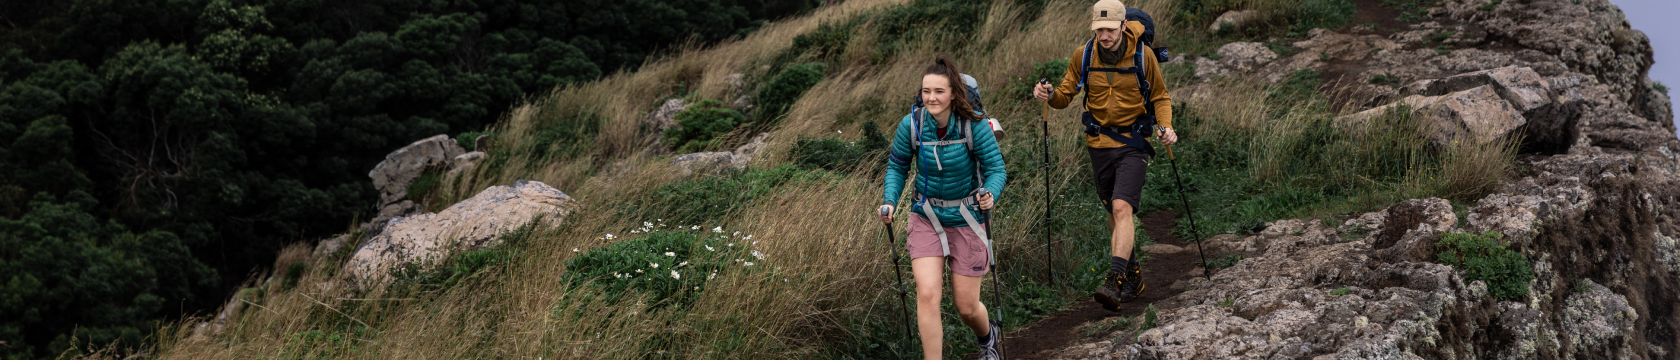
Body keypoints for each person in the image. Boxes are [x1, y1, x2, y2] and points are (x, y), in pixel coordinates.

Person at [1032, 0, 1177, 312]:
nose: (1104, 35)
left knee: (1122, 207)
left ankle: (1115, 280)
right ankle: (1134, 276)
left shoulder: (1143, 55)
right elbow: (1063, 97)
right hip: (1098, 144)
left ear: (1123, 26)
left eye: (1110, 29)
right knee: (1112, 212)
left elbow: (1160, 96)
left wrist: (1165, 126)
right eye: (1099, 29)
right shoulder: (1083, 55)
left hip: (1134, 142)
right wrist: (1048, 95)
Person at [880, 57, 1008, 360]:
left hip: (967, 219)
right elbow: (897, 165)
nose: (931, 98)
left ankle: (987, 336)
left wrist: (990, 193)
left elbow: (996, 170)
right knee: (927, 295)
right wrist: (890, 200)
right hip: (925, 216)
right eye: (926, 91)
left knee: (966, 307)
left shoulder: (974, 125)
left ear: (954, 94)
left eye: (939, 91)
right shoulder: (911, 124)